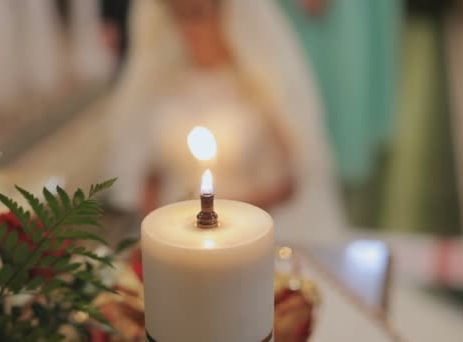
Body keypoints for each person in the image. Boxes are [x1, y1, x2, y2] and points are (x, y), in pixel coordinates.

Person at [105, 0, 345, 242]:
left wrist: (226, 215)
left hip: (254, 231)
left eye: (198, 15)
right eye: (177, 16)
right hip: (180, 235)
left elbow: (292, 180)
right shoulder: (164, 84)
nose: (187, 29)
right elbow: (150, 171)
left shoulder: (262, 88)